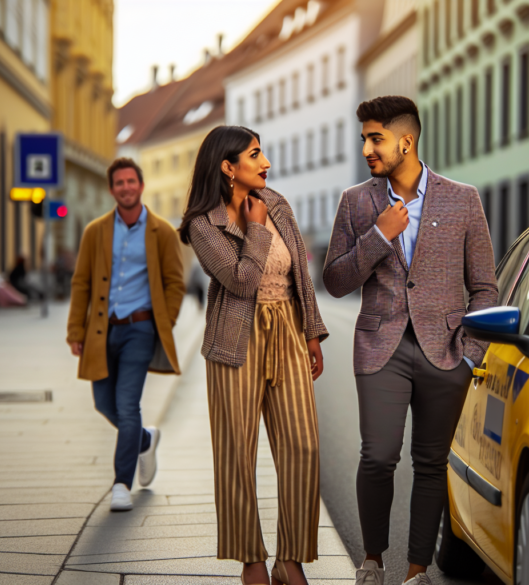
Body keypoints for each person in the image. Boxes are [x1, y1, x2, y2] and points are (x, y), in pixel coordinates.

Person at [322, 96, 498, 585]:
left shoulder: (463, 199)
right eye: (364, 139)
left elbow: (484, 285)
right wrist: (379, 235)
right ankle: (373, 561)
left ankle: (416, 571)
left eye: (375, 138)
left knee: (431, 462)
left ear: (407, 140)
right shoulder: (357, 201)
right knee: (377, 456)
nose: (367, 150)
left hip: (446, 352)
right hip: (382, 349)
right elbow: (335, 280)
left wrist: (471, 355)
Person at [179, 126, 328, 585]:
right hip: (233, 339)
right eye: (255, 154)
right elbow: (241, 280)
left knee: (303, 446)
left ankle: (291, 558)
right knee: (236, 454)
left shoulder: (277, 202)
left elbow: (300, 273)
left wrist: (313, 333)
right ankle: (252, 562)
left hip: (286, 326)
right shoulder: (202, 224)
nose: (265, 163)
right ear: (228, 167)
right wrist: (257, 229)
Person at [66, 157, 185, 512]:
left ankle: (121, 483)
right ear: (111, 189)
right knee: (104, 403)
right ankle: (145, 439)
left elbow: (175, 283)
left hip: (140, 328)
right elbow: (81, 282)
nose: (126, 188)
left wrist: (165, 322)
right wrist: (76, 329)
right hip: (102, 330)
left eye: (131, 181)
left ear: (141, 186)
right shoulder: (96, 231)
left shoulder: (162, 231)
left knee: (127, 404)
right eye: (119, 183)